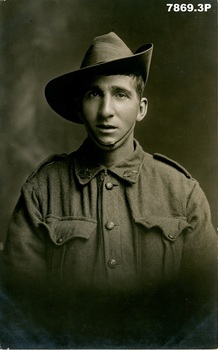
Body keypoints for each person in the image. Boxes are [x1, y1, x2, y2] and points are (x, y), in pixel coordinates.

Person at [1, 32, 217, 348]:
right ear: (78, 107)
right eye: (93, 94)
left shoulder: (181, 192)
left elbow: (208, 307)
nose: (106, 111)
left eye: (120, 94)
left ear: (141, 108)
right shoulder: (42, 191)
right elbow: (14, 310)